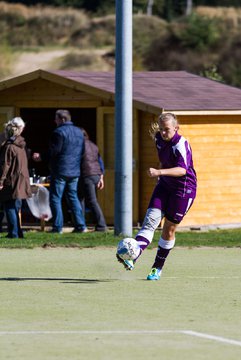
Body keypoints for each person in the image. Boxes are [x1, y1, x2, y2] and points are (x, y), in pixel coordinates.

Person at [117, 112, 197, 281]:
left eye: (166, 129)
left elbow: (182, 170)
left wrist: (159, 172)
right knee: (150, 221)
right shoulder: (159, 140)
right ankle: (133, 255)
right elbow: (164, 161)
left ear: (176, 128)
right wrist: (160, 177)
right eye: (161, 129)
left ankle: (157, 268)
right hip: (164, 185)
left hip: (183, 190)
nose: (163, 132)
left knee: (169, 228)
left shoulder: (181, 144)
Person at [32, 109, 87, 233]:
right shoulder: (79, 132)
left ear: (62, 119)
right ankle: (81, 226)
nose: (54, 121)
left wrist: (41, 156)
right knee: (73, 197)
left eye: (56, 119)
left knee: (55, 198)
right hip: (74, 171)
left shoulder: (58, 132)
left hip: (60, 170)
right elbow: (83, 152)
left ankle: (57, 227)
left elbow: (54, 151)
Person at [0, 117, 32, 238]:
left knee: (9, 207)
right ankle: (18, 232)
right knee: (15, 207)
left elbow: (5, 166)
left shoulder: (9, 147)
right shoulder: (21, 146)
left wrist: (1, 181)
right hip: (21, 179)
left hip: (12, 180)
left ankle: (13, 233)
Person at [78, 128, 107, 232]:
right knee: (81, 198)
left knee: (91, 201)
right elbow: (100, 162)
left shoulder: (79, 146)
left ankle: (101, 225)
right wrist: (101, 177)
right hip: (95, 175)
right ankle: (80, 224)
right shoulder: (93, 145)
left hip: (87, 174)